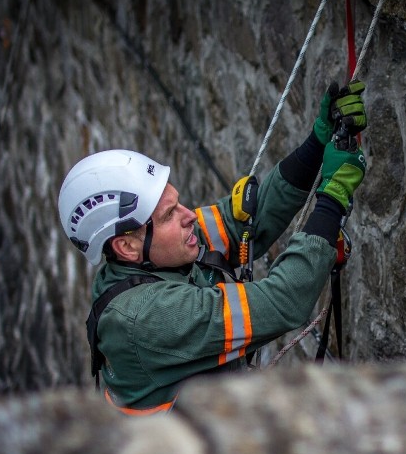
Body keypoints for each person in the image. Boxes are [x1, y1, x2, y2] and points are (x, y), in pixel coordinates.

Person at [57, 81, 368, 415]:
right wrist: (332, 197)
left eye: (177, 203)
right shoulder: (148, 317)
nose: (189, 216)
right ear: (127, 246)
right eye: (168, 215)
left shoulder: (163, 252)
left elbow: (247, 223)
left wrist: (317, 143)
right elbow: (283, 301)